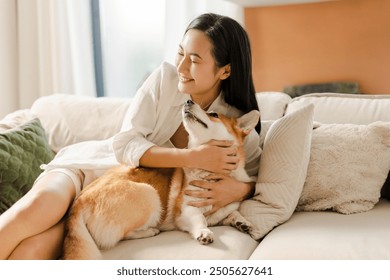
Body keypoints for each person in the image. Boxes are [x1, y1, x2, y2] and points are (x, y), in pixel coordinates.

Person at [0, 12, 261, 260]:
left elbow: (261, 177)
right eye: (180, 53)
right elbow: (125, 146)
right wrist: (192, 157)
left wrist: (240, 188)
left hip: (116, 208)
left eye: (193, 60)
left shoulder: (233, 125)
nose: (181, 66)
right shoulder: (164, 80)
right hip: (91, 172)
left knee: (31, 251)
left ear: (225, 70)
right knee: (37, 207)